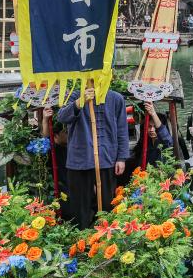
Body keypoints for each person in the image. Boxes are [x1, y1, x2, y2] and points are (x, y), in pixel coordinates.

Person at [56, 83, 130, 229]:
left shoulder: (116, 99)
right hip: (79, 160)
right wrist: (79, 102)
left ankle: (105, 240)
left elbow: (122, 129)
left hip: (107, 159)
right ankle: (81, 241)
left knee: (107, 204)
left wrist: (121, 158)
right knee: (79, 208)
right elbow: (62, 117)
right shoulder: (74, 95)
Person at [40, 107, 71, 220]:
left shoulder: (69, 147)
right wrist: (45, 119)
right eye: (65, 132)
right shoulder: (52, 150)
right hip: (61, 188)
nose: (69, 134)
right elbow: (45, 137)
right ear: (56, 135)